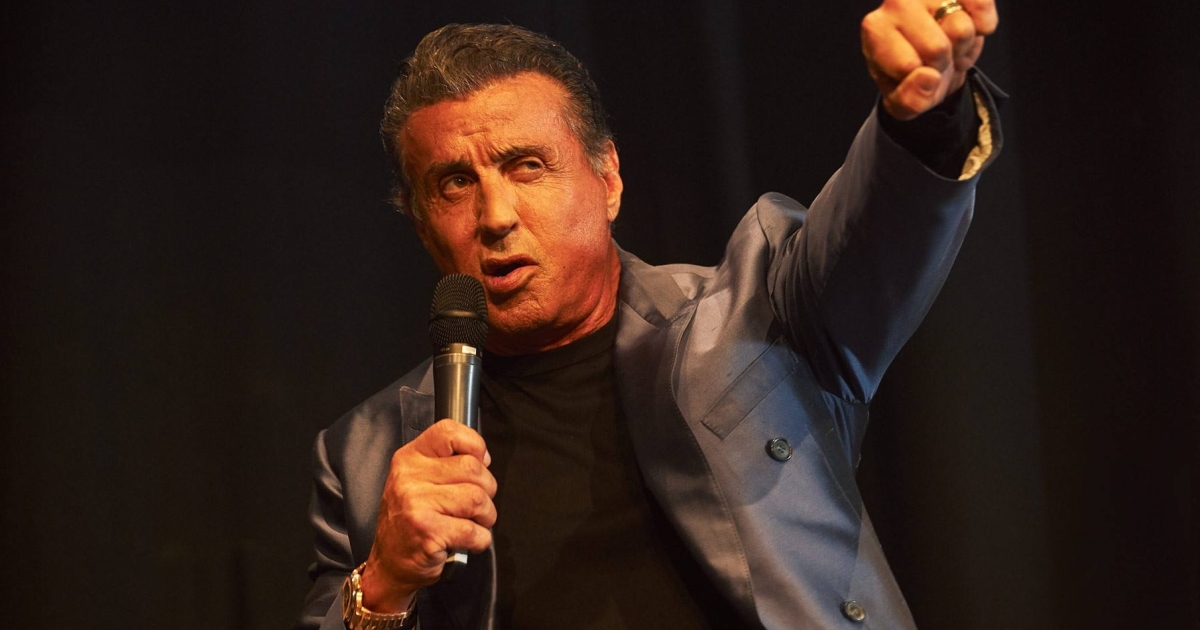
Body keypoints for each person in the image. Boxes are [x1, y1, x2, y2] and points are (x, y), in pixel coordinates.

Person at [297, 1, 1002, 628]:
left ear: (607, 179)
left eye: (527, 166)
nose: (496, 215)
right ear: (422, 225)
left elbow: (873, 237)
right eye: (455, 183)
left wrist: (923, 118)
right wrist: (384, 584)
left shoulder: (759, 312)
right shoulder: (365, 457)